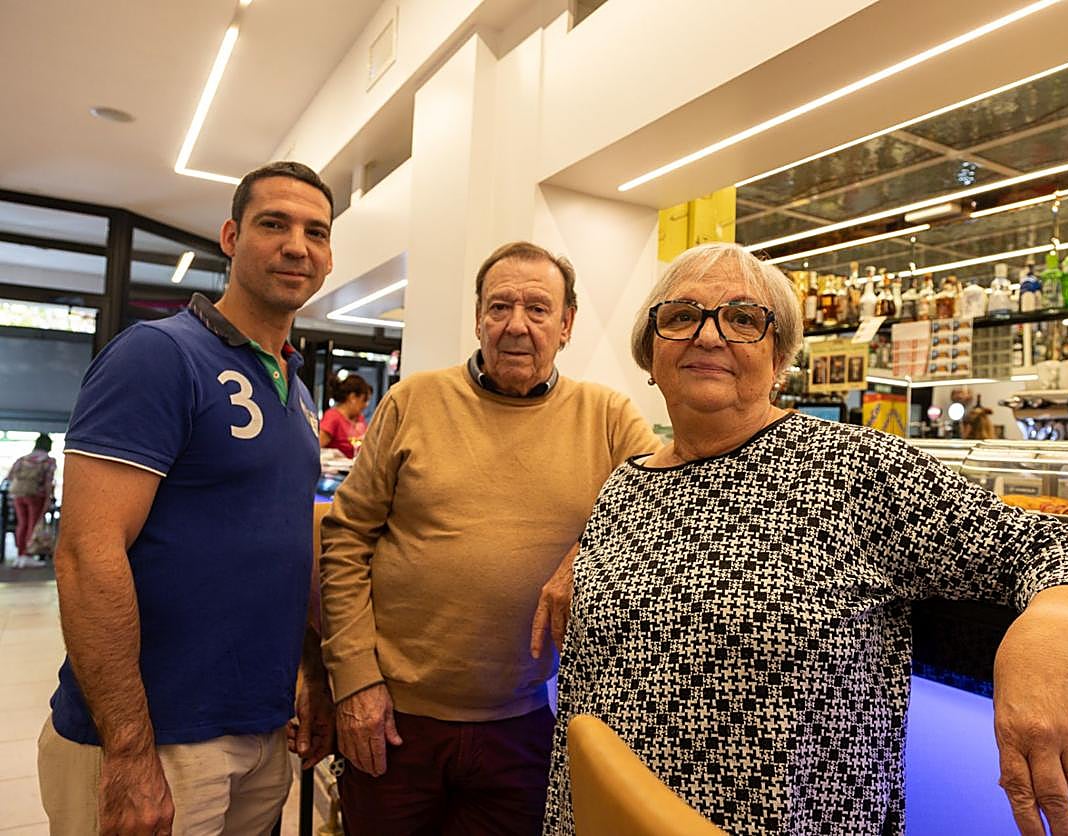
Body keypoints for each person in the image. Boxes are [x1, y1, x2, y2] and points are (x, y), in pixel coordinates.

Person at [544, 242, 1068, 836]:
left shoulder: (857, 468)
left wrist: (1053, 638)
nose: (709, 334)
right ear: (650, 353)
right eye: (681, 317)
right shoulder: (626, 487)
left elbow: (1067, 550)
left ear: (781, 358)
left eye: (742, 319)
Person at [319, 241, 661, 834]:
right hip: (395, 717)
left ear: (567, 324)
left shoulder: (607, 417)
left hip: (526, 722)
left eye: (537, 309)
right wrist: (354, 683)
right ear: (478, 318)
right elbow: (346, 540)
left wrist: (585, 557)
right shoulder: (412, 401)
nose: (516, 326)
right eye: (499, 307)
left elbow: (666, 514)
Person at [38, 161, 337, 835]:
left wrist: (312, 674)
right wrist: (130, 752)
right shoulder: (159, 356)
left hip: (260, 733)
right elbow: (87, 554)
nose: (297, 245)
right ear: (231, 237)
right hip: (156, 740)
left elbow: (286, 548)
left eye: (315, 232)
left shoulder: (295, 391)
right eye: (273, 224)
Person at [4, 433, 56, 557]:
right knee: (33, 525)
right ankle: (28, 554)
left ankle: (20, 555)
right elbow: (48, 482)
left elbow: (10, 476)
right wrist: (49, 498)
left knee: (22, 524)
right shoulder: (48, 461)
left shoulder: (23, 459)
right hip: (36, 496)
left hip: (18, 494)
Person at [319, 372, 373, 457]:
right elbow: (317, 447)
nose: (366, 405)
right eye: (364, 400)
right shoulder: (333, 417)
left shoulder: (359, 418)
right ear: (352, 397)